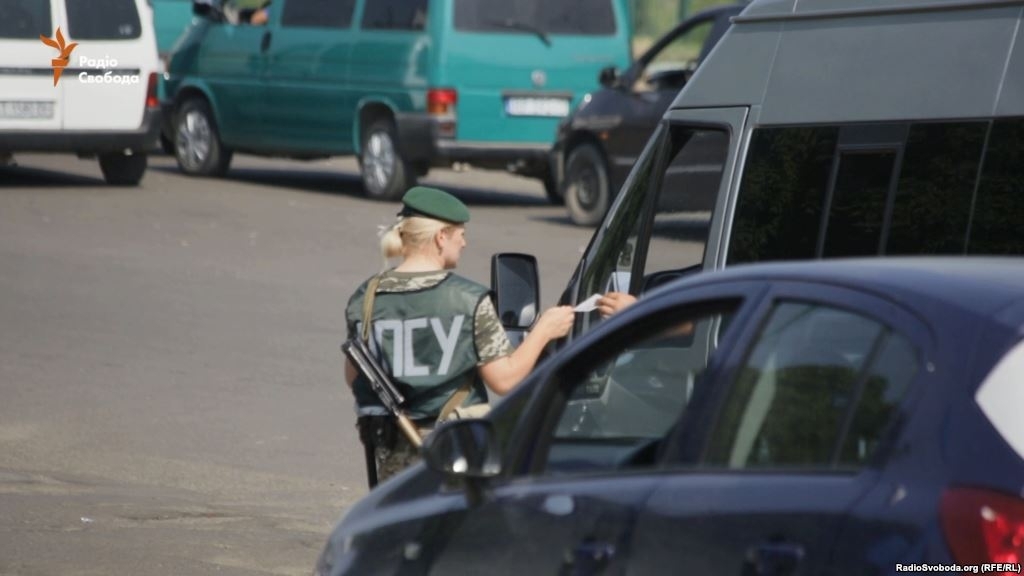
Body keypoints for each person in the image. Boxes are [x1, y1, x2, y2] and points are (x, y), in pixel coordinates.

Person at [344, 186, 574, 484]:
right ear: (441, 237)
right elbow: (505, 380)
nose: (464, 242)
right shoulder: (469, 300)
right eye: (460, 233)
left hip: (391, 457)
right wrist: (544, 330)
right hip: (456, 452)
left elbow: (354, 377)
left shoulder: (366, 297)